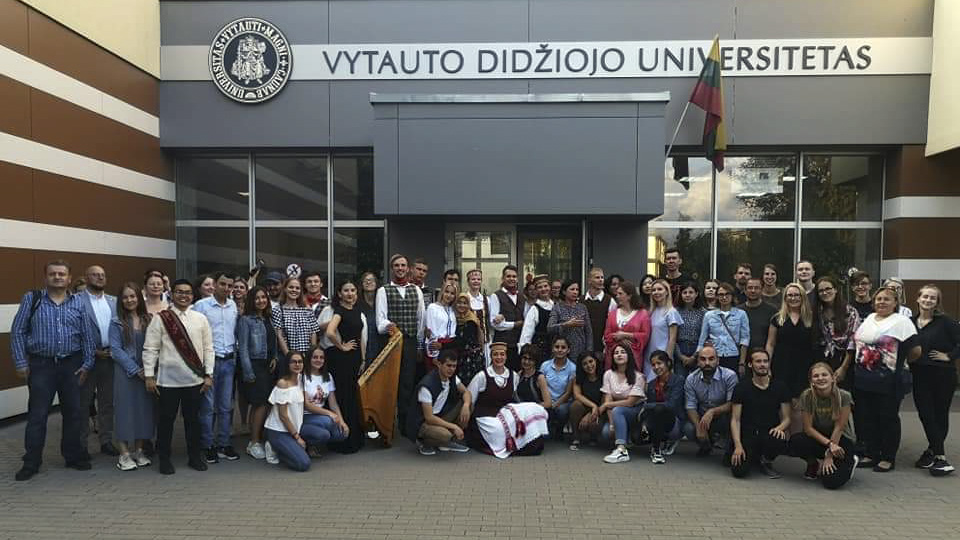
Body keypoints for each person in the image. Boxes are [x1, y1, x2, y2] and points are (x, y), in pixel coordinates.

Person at [11, 260, 96, 481]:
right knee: (37, 415)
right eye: (53, 274)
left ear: (69, 278)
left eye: (61, 274)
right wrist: (20, 362)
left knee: (73, 413)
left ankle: (73, 456)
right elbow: (18, 331)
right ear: (46, 277)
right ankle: (31, 462)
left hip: (72, 365)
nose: (57, 277)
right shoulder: (32, 299)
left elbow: (87, 335)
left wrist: (87, 363)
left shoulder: (79, 302)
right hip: (41, 365)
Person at [142, 279, 214, 475]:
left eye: (187, 292)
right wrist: (149, 376)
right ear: (172, 294)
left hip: (195, 380)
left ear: (193, 295)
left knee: (193, 421)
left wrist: (209, 374)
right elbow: (150, 348)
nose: (184, 296)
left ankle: (194, 457)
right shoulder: (161, 318)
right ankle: (164, 459)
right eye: (179, 292)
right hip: (167, 382)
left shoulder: (200, 318)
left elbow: (208, 348)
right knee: (166, 422)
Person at [852, 286, 920, 472]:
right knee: (868, 418)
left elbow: (915, 351)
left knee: (887, 418)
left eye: (886, 299)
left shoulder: (902, 322)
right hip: (864, 379)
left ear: (895, 302)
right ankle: (871, 453)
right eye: (879, 299)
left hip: (889, 381)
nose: (881, 302)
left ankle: (888, 457)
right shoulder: (869, 319)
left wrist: (898, 364)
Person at [465, 342, 549, 458]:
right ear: (491, 356)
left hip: (504, 415)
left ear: (506, 356)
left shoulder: (514, 376)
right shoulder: (482, 376)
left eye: (502, 354)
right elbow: (470, 397)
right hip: (485, 416)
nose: (499, 357)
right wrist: (466, 415)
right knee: (497, 429)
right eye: (495, 354)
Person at [910, 285, 958, 476]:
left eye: (932, 298)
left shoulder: (946, 322)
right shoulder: (910, 322)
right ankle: (933, 452)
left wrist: (950, 356)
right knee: (925, 414)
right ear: (918, 298)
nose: (928, 300)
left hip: (943, 375)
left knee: (939, 415)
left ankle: (938, 456)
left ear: (937, 302)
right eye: (925, 296)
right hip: (919, 374)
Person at [376, 254, 426, 435]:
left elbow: (421, 319)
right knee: (391, 383)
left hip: (410, 342)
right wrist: (389, 326)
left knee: (407, 383)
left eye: (403, 265)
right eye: (396, 265)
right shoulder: (383, 291)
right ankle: (387, 424)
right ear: (392, 268)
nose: (400, 268)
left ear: (408, 268)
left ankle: (405, 425)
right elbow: (380, 320)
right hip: (391, 342)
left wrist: (419, 345)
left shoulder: (416, 290)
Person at [192, 272, 239, 464]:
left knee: (226, 406)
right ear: (215, 285)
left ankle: (224, 444)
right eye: (222, 284)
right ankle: (207, 445)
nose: (226, 288)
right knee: (208, 407)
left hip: (228, 361)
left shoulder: (233, 305)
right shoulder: (201, 306)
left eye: (230, 285)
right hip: (209, 362)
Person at [109, 282, 156, 471]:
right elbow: (115, 350)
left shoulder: (148, 319)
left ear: (139, 298)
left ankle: (139, 451)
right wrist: (136, 370)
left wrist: (149, 370)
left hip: (146, 373)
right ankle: (124, 454)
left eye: (133, 296)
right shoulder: (116, 322)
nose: (129, 300)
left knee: (143, 411)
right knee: (124, 411)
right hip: (126, 373)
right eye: (125, 297)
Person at [789, 362, 859, 489]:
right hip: (821, 439)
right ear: (811, 381)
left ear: (832, 378)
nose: (820, 378)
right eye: (816, 376)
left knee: (831, 483)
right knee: (796, 441)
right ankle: (813, 463)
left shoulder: (844, 396)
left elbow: (839, 427)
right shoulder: (807, 396)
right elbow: (808, 429)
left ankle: (851, 460)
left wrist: (830, 455)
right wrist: (829, 446)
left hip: (841, 440)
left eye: (824, 375)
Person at [728, 349, 791, 479]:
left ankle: (766, 461)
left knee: (779, 438)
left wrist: (779, 428)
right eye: (758, 361)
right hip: (748, 434)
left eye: (765, 361)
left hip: (769, 433)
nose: (762, 365)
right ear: (750, 364)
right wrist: (738, 445)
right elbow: (735, 420)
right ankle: (751, 456)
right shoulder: (741, 387)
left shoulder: (780, 387)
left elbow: (787, 419)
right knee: (739, 472)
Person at [78, 265, 118, 457]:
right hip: (86, 360)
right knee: (83, 404)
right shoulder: (76, 300)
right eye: (95, 275)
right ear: (86, 278)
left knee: (107, 403)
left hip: (110, 360)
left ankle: (106, 441)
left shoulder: (114, 301)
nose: (100, 277)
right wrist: (93, 351)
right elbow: (72, 332)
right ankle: (81, 445)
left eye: (102, 275)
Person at [325, 279, 368, 453]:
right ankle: (343, 440)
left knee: (353, 397)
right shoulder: (339, 311)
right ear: (339, 294)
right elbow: (330, 332)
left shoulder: (357, 311)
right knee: (344, 397)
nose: (350, 294)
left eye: (353, 290)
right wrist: (341, 346)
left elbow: (360, 337)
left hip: (356, 359)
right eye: (346, 290)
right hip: (342, 360)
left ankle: (355, 438)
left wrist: (363, 360)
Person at [237, 286, 277, 460]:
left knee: (261, 404)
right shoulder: (246, 320)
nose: (261, 301)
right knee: (260, 403)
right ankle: (254, 441)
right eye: (257, 298)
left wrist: (274, 357)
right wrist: (248, 372)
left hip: (268, 365)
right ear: (251, 301)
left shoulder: (269, 318)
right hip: (254, 365)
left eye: (264, 297)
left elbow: (272, 341)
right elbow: (243, 348)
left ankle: (255, 440)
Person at [407, 349, 473, 455]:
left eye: (454, 366)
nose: (451, 369)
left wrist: (466, 405)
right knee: (445, 435)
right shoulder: (427, 385)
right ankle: (425, 442)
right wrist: (454, 426)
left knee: (469, 405)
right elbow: (429, 418)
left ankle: (446, 442)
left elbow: (466, 392)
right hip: (423, 422)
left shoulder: (452, 378)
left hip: (441, 415)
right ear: (439, 364)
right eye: (448, 365)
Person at [684, 344, 738, 457]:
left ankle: (729, 446)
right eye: (703, 359)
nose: (707, 363)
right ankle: (706, 445)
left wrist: (712, 412)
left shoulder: (729, 376)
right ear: (698, 362)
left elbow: (732, 403)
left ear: (718, 361)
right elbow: (690, 406)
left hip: (723, 416)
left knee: (732, 419)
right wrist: (699, 427)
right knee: (688, 428)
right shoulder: (691, 379)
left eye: (711, 359)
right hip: (702, 417)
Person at [766, 282, 815, 399]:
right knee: (783, 399)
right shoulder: (777, 319)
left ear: (802, 297)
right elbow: (770, 344)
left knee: (803, 399)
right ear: (785, 298)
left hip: (805, 365)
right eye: (790, 295)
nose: (793, 298)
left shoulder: (812, 318)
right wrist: (767, 366)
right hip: (782, 365)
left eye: (797, 295)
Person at [262, 353, 310, 471]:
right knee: (303, 464)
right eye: (293, 362)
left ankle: (290, 448)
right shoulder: (282, 384)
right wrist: (297, 437)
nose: (297, 364)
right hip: (278, 431)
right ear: (287, 364)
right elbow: (283, 416)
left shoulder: (300, 379)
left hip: (294, 428)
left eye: (300, 362)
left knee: (320, 433)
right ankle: (273, 448)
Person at [600, 344, 646, 463]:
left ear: (629, 355)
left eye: (623, 352)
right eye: (616, 353)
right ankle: (624, 437)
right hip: (616, 412)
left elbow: (630, 402)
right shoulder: (608, 374)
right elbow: (608, 400)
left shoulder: (638, 376)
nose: (619, 355)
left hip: (635, 411)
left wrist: (607, 405)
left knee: (618, 410)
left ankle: (621, 450)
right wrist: (612, 424)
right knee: (606, 432)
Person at [813, 276, 860, 391]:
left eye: (828, 289)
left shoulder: (850, 312)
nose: (825, 293)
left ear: (835, 289)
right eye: (821, 291)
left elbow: (852, 342)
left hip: (843, 361)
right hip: (820, 361)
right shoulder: (816, 313)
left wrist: (843, 368)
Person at [300, 347, 349, 455]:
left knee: (342, 434)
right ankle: (303, 441)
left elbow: (333, 404)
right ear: (309, 359)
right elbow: (307, 405)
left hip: (320, 416)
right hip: (305, 416)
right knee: (327, 423)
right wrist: (329, 414)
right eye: (315, 357)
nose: (318, 360)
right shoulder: (303, 376)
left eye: (321, 357)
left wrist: (342, 421)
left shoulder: (328, 376)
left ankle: (313, 441)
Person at [642, 350, 685, 464]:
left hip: (673, 421)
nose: (656, 367)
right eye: (653, 365)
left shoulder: (678, 380)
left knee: (659, 409)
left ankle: (656, 450)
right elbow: (650, 410)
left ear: (668, 363)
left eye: (659, 363)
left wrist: (647, 406)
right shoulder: (651, 384)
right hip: (656, 421)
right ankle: (658, 439)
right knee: (636, 437)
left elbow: (671, 405)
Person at [696, 282, 750, 374]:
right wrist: (699, 357)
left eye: (727, 294)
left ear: (732, 296)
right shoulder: (709, 315)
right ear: (717, 296)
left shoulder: (741, 314)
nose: (724, 297)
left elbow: (745, 339)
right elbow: (702, 339)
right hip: (714, 356)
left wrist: (742, 362)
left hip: (733, 355)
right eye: (721, 294)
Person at [603, 280, 651, 372]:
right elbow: (607, 335)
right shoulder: (612, 314)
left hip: (633, 359)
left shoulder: (642, 314)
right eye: (617, 294)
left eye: (620, 294)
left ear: (629, 296)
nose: (617, 296)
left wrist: (626, 335)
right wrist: (620, 340)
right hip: (614, 360)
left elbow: (645, 336)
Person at [644, 279, 682, 383]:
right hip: (648, 356)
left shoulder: (671, 312)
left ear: (667, 292)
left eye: (660, 289)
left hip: (662, 357)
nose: (656, 292)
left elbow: (672, 339)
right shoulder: (651, 312)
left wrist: (667, 360)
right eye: (654, 290)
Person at [488, 265, 525, 371]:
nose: (511, 279)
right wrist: (515, 324)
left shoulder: (522, 297)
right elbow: (495, 324)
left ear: (517, 279)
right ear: (503, 278)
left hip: (518, 345)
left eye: (514, 276)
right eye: (508, 276)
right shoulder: (496, 296)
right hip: (502, 345)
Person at [547, 279, 593, 361]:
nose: (575, 292)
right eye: (572, 289)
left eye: (577, 290)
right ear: (564, 292)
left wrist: (589, 351)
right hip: (562, 350)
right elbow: (550, 328)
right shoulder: (557, 308)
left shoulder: (582, 308)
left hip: (580, 350)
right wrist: (566, 324)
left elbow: (588, 332)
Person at [273, 276, 319, 357]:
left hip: (306, 355)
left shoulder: (307, 310)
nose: (294, 290)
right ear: (285, 289)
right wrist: (289, 356)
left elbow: (313, 333)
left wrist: (311, 354)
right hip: (287, 355)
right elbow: (279, 336)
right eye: (291, 287)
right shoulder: (278, 310)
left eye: (297, 288)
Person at [540, 336, 577, 436]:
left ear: (568, 350)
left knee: (561, 410)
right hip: (547, 400)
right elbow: (541, 387)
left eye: (563, 347)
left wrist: (554, 405)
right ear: (552, 349)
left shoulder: (573, 368)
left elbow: (568, 393)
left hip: (563, 402)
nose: (560, 350)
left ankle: (559, 429)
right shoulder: (545, 365)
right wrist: (547, 403)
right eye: (557, 347)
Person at [568, 352, 604, 451]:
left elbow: (604, 402)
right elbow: (577, 395)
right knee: (575, 405)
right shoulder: (578, 378)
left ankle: (593, 437)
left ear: (596, 361)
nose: (589, 365)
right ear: (581, 366)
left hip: (600, 409)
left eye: (591, 361)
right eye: (585, 364)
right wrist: (592, 406)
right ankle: (575, 437)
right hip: (585, 407)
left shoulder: (604, 377)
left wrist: (591, 413)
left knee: (594, 425)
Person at [453, 292, 486, 384]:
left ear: (469, 305)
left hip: (471, 359)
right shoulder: (454, 318)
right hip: (460, 357)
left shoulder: (471, 320)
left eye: (465, 303)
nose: (462, 305)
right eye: (459, 302)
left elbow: (463, 341)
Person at [675, 282, 706, 378]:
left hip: (697, 349)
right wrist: (681, 356)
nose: (687, 295)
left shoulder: (704, 313)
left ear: (696, 294)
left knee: (697, 380)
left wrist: (694, 356)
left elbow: (705, 336)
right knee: (680, 380)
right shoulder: (675, 311)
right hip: (680, 349)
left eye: (691, 292)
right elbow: (672, 337)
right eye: (684, 292)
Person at [738, 277, 776, 352]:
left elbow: (773, 340)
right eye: (750, 288)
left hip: (764, 356)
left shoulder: (772, 311)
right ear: (745, 290)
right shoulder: (737, 311)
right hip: (741, 355)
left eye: (756, 288)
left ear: (762, 290)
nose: (753, 291)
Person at [582, 267, 614, 356]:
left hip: (602, 346)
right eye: (597, 277)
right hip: (583, 345)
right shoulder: (580, 300)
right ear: (589, 280)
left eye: (602, 277)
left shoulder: (610, 301)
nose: (600, 280)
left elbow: (612, 324)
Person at [519, 275, 555, 353]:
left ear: (550, 287)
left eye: (545, 286)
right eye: (540, 287)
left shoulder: (556, 306)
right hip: (540, 349)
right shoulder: (534, 309)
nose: (543, 289)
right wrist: (524, 351)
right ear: (536, 290)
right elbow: (527, 333)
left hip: (556, 349)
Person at [424, 283, 458, 363]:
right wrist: (434, 355)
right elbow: (431, 332)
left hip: (451, 345)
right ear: (442, 292)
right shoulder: (433, 307)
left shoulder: (453, 310)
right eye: (447, 292)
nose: (449, 295)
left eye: (452, 293)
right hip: (437, 344)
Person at [358, 271, 381, 365]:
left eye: (371, 280)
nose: (368, 282)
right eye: (365, 280)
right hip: (363, 345)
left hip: (379, 344)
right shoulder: (357, 303)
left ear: (376, 283)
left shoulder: (381, 302)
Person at [464, 268, 489, 347]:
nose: (476, 281)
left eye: (478, 279)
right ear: (468, 282)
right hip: (468, 342)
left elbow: (491, 319)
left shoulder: (486, 300)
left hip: (485, 341)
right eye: (473, 279)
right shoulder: (464, 299)